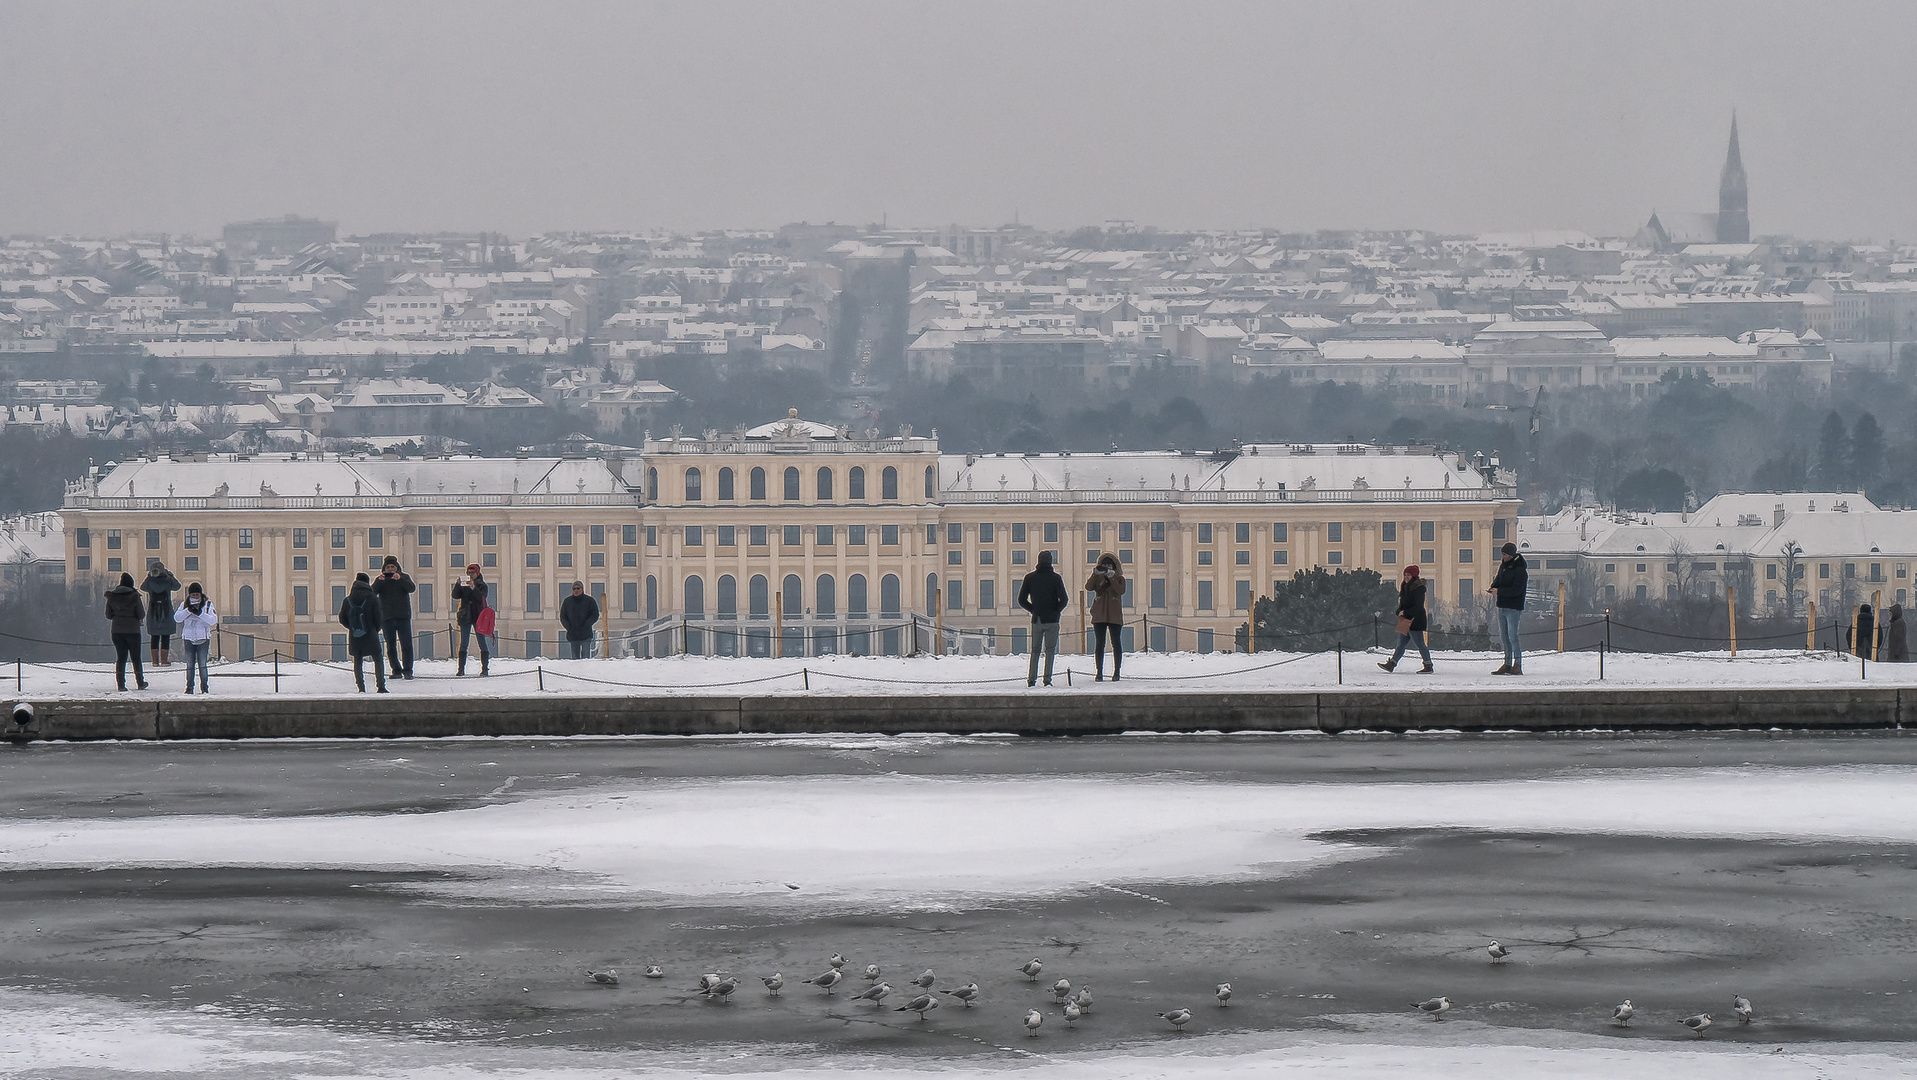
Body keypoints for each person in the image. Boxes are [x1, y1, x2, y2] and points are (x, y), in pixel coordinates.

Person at [1017, 549, 1070, 688]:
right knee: (1050, 651)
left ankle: (1031, 679)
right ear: (1050, 562)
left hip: (1037, 619)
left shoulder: (1030, 578)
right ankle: (1047, 679)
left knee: (1035, 651)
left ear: (1038, 561)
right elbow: (1064, 599)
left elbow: (1021, 600)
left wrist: (1033, 610)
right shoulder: (1056, 578)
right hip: (1052, 619)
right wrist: (1056, 611)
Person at [1378, 565, 1434, 674]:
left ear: (1413, 576)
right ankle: (1392, 664)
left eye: (1408, 575)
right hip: (1405, 619)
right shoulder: (1405, 587)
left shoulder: (1419, 588)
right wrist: (1399, 611)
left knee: (1420, 644)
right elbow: (1403, 604)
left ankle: (1428, 665)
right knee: (1400, 644)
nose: (1406, 577)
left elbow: (1418, 606)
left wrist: (1406, 613)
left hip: (1415, 620)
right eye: (1405, 575)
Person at [338, 572, 387, 693]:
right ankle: (380, 685)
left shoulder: (347, 600)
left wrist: (352, 627)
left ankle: (361, 687)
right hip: (371, 633)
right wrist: (374, 629)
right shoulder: (372, 598)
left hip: (355, 635)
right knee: (378, 658)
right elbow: (379, 617)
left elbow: (342, 618)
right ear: (367, 583)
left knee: (357, 660)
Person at [372, 555, 417, 680]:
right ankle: (396, 670)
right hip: (386, 618)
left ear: (397, 568)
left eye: (393, 567)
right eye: (388, 567)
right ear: (384, 569)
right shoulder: (380, 580)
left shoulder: (404, 577)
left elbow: (412, 588)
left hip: (403, 617)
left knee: (406, 645)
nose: (390, 569)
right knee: (390, 645)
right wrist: (378, 582)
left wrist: (400, 579)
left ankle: (408, 670)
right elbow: (372, 593)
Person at [1085, 552, 1127, 681]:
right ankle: (1099, 672)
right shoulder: (1098, 577)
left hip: (1114, 614)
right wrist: (1095, 574)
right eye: (1104, 565)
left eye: (1109, 565)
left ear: (1114, 566)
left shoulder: (1120, 578)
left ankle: (1117, 672)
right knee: (1099, 644)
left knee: (1116, 643)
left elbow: (1121, 591)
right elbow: (1088, 587)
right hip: (1100, 614)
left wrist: (1112, 577)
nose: (1107, 567)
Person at [104, 571, 148, 691]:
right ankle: (140, 682)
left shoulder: (112, 596)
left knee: (121, 658)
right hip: (133, 631)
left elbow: (108, 615)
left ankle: (121, 684)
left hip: (117, 631)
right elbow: (141, 614)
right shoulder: (134, 596)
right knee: (136, 658)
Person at [1488, 542, 1528, 675]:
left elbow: (1516, 590)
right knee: (1504, 637)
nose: (1503, 557)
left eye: (1505, 554)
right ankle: (1507, 663)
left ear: (1511, 555)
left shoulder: (1520, 570)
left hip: (1513, 607)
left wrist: (1499, 591)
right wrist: (1494, 586)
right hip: (1502, 606)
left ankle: (1517, 664)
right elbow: (1499, 579)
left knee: (1513, 636)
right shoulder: (1503, 566)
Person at [173, 583, 219, 694]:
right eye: (193, 595)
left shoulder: (207, 604)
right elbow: (177, 618)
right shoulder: (184, 604)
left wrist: (200, 614)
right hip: (189, 638)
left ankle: (204, 687)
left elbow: (213, 620)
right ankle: (189, 687)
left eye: (197, 595)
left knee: (202, 664)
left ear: (201, 594)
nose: (195, 597)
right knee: (189, 664)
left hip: (203, 638)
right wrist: (188, 611)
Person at [452, 563, 491, 676]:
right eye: (468, 572)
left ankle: (485, 669)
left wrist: (473, 587)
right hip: (465, 616)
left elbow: (480, 598)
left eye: (472, 572)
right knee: (463, 643)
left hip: (478, 616)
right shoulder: (463, 585)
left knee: (482, 642)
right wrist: (458, 585)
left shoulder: (482, 585)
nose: (470, 574)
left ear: (477, 573)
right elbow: (455, 595)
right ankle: (461, 669)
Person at [142, 560, 181, 667]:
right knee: (165, 636)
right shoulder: (167, 580)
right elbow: (177, 586)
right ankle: (164, 660)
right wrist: (170, 575)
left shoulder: (150, 581)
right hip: (166, 610)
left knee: (154, 636)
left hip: (153, 611)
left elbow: (143, 587)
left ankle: (155, 661)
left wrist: (149, 577)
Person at [559, 580, 600, 659]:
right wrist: (568, 627)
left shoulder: (590, 601)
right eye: (574, 589)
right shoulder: (567, 601)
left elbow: (595, 615)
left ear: (582, 589)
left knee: (586, 658)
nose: (576, 590)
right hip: (573, 634)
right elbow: (563, 616)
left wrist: (587, 624)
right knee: (575, 658)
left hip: (586, 633)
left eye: (578, 588)